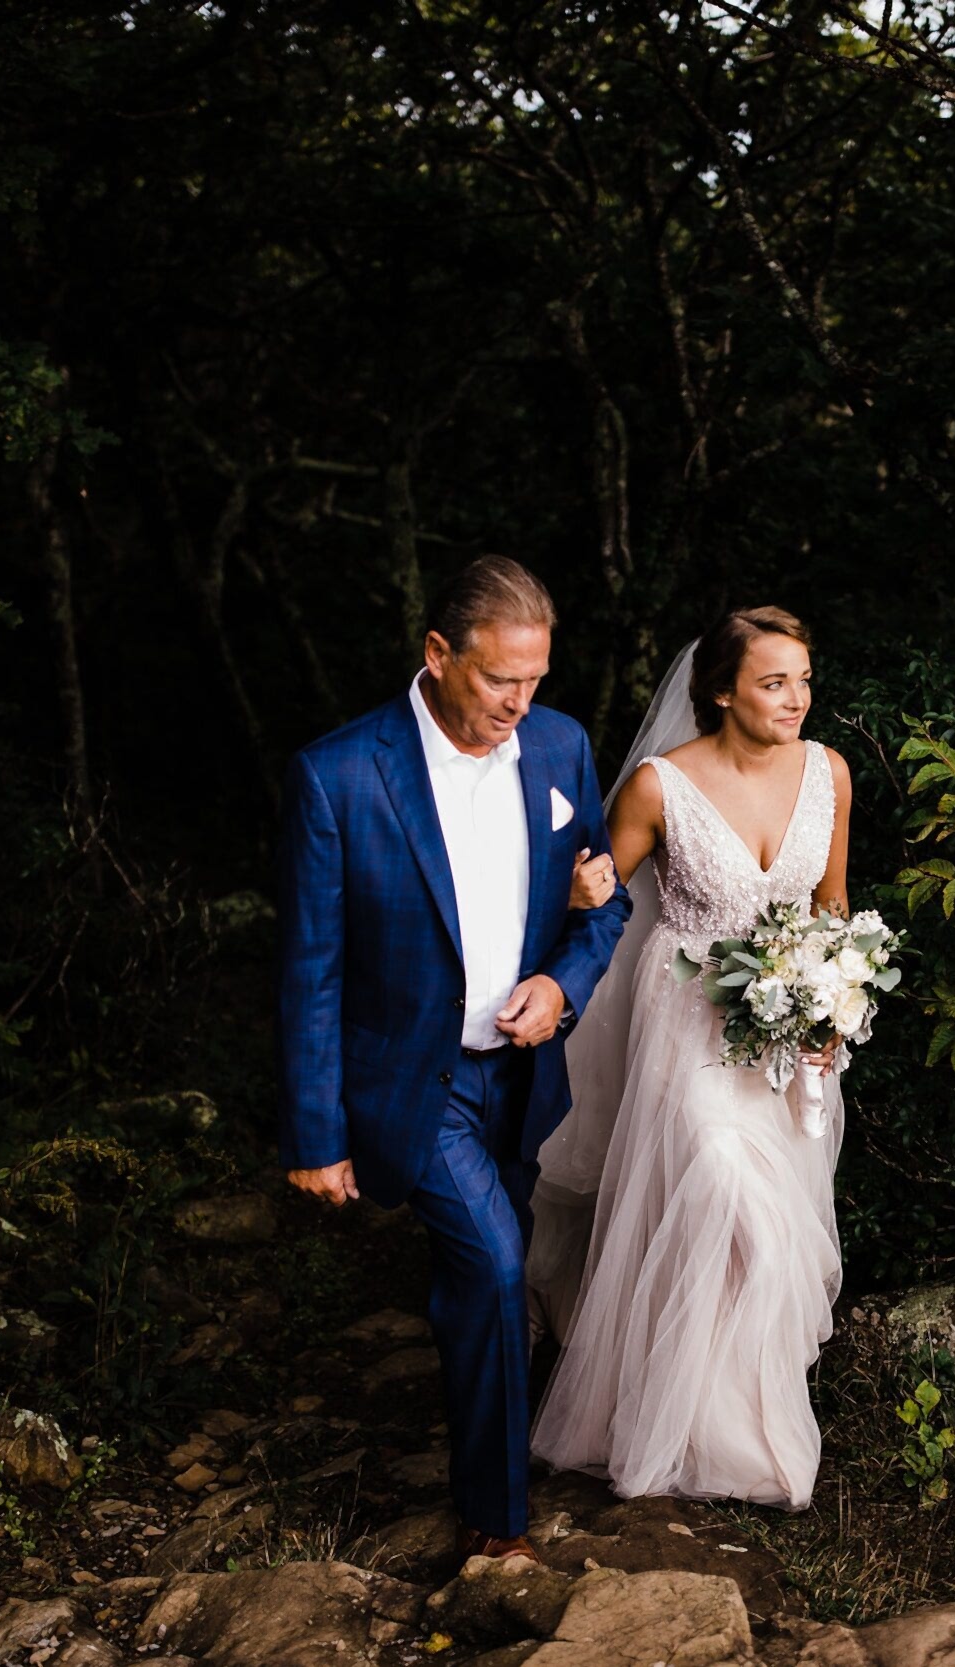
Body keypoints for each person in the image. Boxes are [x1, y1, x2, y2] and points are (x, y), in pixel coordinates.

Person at [275, 556, 629, 1563]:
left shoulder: (559, 747)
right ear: (437, 655)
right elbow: (309, 969)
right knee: (497, 1263)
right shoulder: (338, 773)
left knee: (476, 1276)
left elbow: (607, 904)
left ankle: (476, 1433)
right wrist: (315, 1132)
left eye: (534, 679)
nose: (519, 702)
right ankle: (499, 1523)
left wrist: (561, 983)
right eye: (496, 679)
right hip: (411, 1082)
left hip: (516, 1078)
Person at [527, 606, 854, 1510]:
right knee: (719, 1186)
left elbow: (831, 906)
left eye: (803, 679)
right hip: (686, 1019)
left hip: (785, 1032)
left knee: (764, 1232)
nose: (797, 698)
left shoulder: (828, 772)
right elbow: (594, 899)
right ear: (720, 691)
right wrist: (580, 884)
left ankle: (728, 1423)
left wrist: (832, 999)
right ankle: (672, 1416)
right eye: (774, 682)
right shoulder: (658, 785)